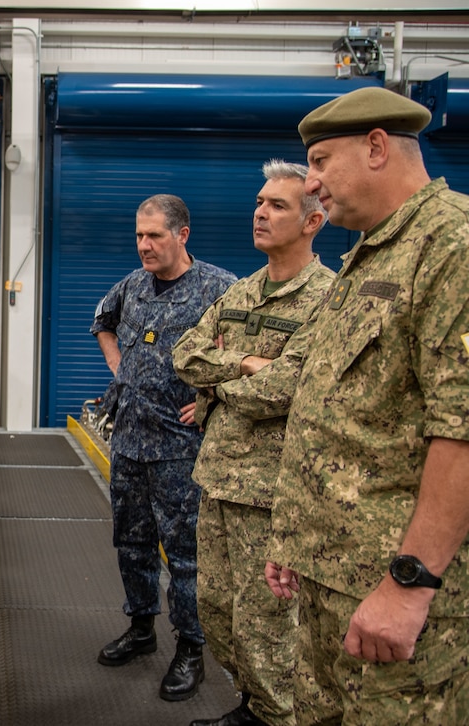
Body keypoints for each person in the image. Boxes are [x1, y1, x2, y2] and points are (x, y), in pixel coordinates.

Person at [264, 86, 469, 724]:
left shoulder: (451, 246)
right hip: (333, 578)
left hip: (398, 596)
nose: (313, 183)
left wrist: (411, 584)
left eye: (322, 162)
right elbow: (339, 411)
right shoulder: (372, 252)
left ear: (377, 147)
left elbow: (460, 433)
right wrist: (295, 538)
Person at [173, 159, 334, 726]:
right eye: (260, 202)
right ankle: (254, 709)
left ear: (314, 220)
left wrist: (224, 381)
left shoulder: (328, 299)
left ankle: (278, 716)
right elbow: (185, 356)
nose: (260, 213)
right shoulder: (242, 291)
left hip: (274, 494)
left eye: (278, 205)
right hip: (218, 479)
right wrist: (244, 363)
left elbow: (286, 389)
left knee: (269, 626)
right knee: (219, 614)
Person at [90, 194, 236, 702]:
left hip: (181, 449)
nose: (144, 245)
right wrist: (120, 369)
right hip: (128, 441)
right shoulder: (131, 286)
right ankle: (141, 627)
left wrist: (213, 394)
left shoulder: (220, 289)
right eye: (138, 235)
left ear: (183, 234)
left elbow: (250, 356)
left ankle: (191, 647)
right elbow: (102, 323)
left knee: (186, 557)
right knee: (131, 544)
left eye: (154, 235)